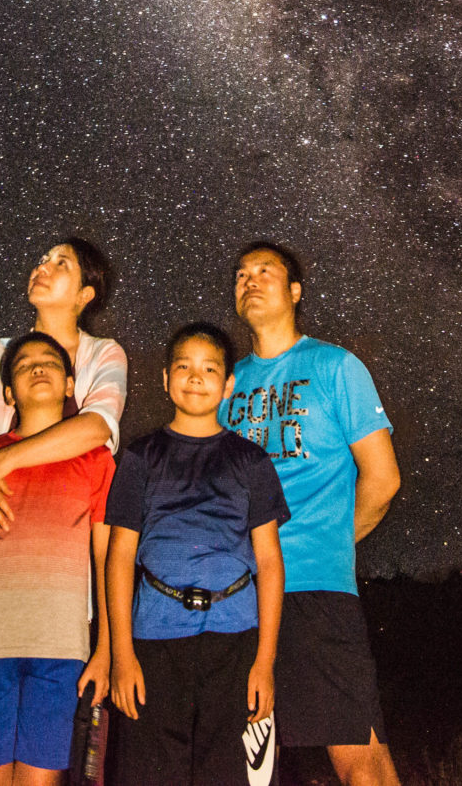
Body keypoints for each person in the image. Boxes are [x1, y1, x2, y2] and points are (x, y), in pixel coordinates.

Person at [221, 242, 403, 786]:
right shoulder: (225, 384)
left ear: (295, 291)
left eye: (265, 272)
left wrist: (329, 542)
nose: (250, 281)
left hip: (314, 591)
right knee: (249, 767)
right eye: (241, 275)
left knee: (359, 757)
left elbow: (383, 478)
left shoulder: (334, 366)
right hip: (239, 597)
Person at [107, 322, 288, 786]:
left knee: (223, 773)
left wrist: (264, 663)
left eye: (210, 368)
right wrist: (121, 655)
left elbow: (268, 560)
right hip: (155, 639)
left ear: (228, 385)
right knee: (149, 772)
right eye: (184, 366)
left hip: (235, 638)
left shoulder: (251, 460)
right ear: (166, 378)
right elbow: (120, 556)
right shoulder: (140, 456)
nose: (195, 376)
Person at [0, 331, 118, 786]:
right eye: (24, 365)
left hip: (61, 650)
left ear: (71, 384)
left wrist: (106, 650)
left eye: (51, 362)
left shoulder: (97, 461)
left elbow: (105, 559)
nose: (38, 368)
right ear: (8, 393)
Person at [0, 236, 127, 535]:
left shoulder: (103, 354)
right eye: (43, 260)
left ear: (84, 295)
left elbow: (97, 427)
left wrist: (0, 462)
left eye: (60, 264)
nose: (42, 268)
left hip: (69, 526)